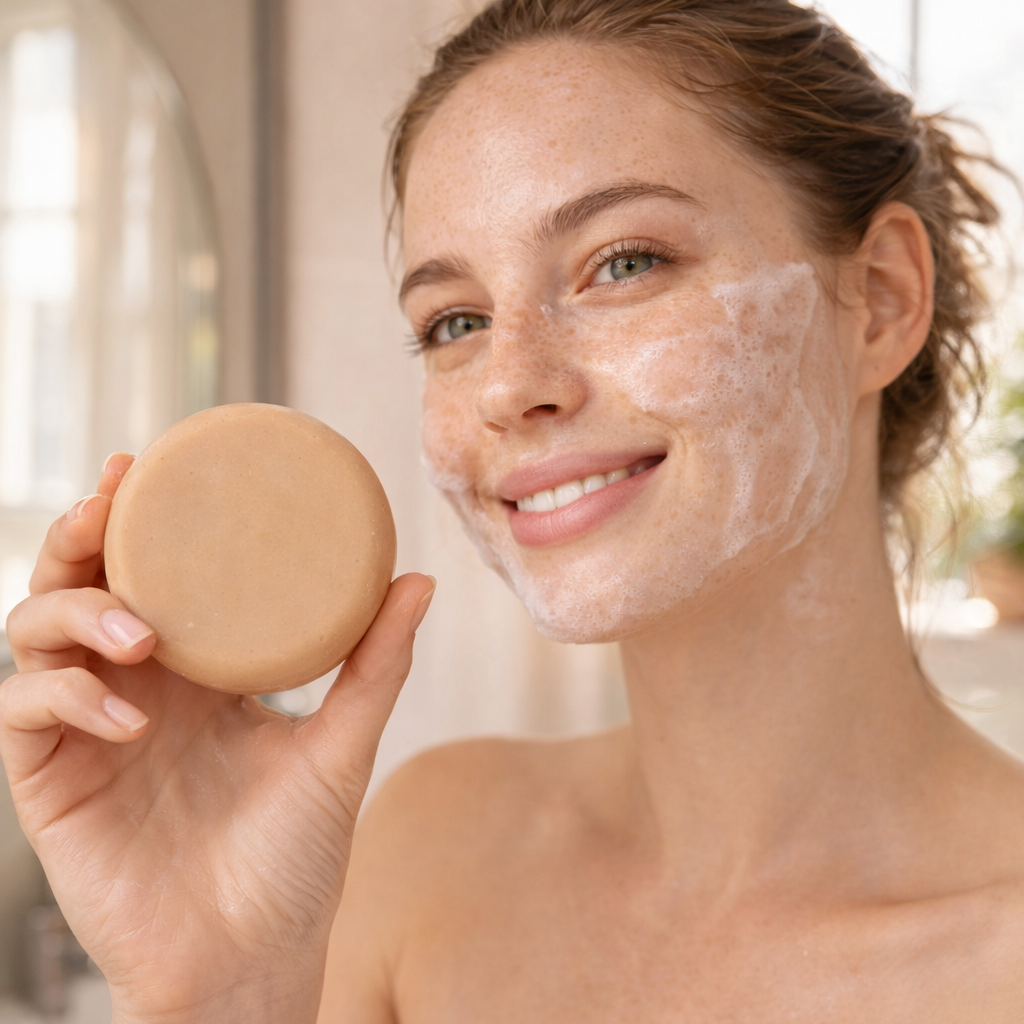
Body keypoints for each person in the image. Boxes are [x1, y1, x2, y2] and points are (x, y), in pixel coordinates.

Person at [3, 0, 1023, 1020]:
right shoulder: (427, 856)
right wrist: (217, 990)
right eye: (455, 321)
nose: (507, 385)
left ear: (881, 298)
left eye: (623, 262)